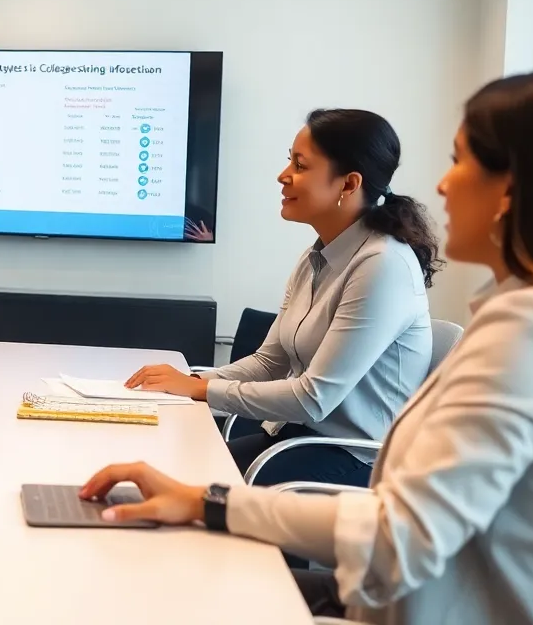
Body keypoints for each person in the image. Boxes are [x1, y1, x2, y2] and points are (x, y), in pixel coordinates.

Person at [84, 66, 533, 625]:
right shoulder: (523, 319)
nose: (442, 185)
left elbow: (402, 534)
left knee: (195, 581)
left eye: (460, 161)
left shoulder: (532, 333)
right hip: (389, 587)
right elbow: (274, 362)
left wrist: (212, 498)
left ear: (515, 189)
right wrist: (195, 394)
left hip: (382, 552)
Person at [124, 109, 440, 487]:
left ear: (349, 184)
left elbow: (313, 398)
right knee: (167, 472)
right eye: (289, 160)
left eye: (300, 165)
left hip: (355, 460)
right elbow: (268, 362)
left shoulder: (383, 265)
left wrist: (201, 389)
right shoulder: (316, 257)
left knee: (187, 494)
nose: (283, 175)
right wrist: (187, 381)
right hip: (297, 440)